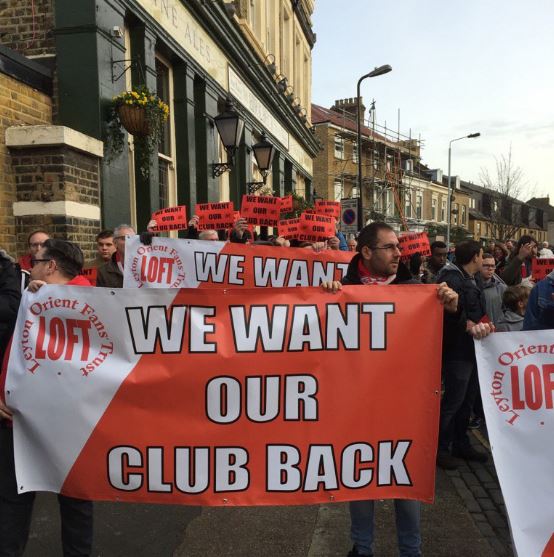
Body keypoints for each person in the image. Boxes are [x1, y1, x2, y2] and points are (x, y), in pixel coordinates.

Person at [320, 222, 466, 557]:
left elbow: (449, 343)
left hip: (405, 405)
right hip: (357, 405)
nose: (399, 253)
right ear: (367, 251)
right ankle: (362, 547)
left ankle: (410, 550)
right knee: (359, 476)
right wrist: (324, 299)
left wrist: (453, 310)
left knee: (406, 476)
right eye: (389, 247)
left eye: (399, 247)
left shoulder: (417, 290)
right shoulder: (343, 288)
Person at [0, 239, 93, 557]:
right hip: (16, 420)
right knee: (20, 502)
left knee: (65, 500)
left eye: (35, 260)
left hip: (61, 425)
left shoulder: (93, 303)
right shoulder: (31, 298)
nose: (29, 266)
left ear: (51, 265)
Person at [436, 240, 490, 469]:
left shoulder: (472, 278)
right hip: (457, 350)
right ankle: (440, 448)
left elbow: (476, 311)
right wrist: (467, 324)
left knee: (467, 400)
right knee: (453, 401)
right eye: (482, 255)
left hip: (471, 348)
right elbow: (448, 314)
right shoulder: (451, 279)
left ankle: (461, 443)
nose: (483, 259)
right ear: (475, 257)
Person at [96, 224, 135, 288]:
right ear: (115, 243)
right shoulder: (103, 271)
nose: (130, 242)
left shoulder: (145, 265)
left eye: (133, 238)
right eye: (125, 238)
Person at [478, 253, 507, 326]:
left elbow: (508, 311)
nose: (490, 269)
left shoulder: (502, 288)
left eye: (493, 266)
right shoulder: (472, 286)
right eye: (486, 265)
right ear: (478, 266)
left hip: (498, 331)